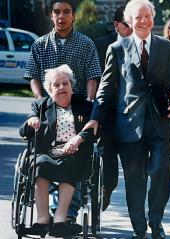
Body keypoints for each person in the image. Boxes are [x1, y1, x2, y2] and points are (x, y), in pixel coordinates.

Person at [83, 0, 170, 238]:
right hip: (129, 124)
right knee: (134, 179)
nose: (143, 21)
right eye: (138, 17)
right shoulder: (117, 49)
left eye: (147, 16)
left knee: (160, 170)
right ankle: (139, 227)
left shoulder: (167, 47)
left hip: (160, 120)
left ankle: (156, 220)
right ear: (129, 21)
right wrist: (95, 117)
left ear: (153, 18)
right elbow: (106, 87)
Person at [23, 0, 101, 231]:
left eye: (66, 12)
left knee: (76, 157)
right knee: (42, 158)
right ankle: (44, 216)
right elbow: (33, 76)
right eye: (57, 12)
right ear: (51, 15)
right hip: (49, 109)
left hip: (76, 108)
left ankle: (66, 215)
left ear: (73, 15)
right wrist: (40, 104)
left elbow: (92, 77)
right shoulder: (40, 45)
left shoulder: (86, 44)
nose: (61, 17)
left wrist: (88, 104)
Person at [19, 64, 94, 237]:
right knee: (39, 164)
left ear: (71, 85)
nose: (61, 87)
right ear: (49, 89)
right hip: (46, 153)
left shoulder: (84, 105)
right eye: (56, 85)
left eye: (65, 83)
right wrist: (31, 121)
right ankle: (43, 219)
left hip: (74, 152)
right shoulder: (40, 105)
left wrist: (78, 138)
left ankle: (60, 219)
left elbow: (93, 130)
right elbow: (23, 132)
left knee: (71, 164)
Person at [94, 5, 133, 211]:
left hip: (133, 115)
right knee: (107, 156)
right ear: (117, 25)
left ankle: (136, 210)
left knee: (133, 164)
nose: (133, 28)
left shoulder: (143, 45)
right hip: (107, 113)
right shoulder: (101, 45)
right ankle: (106, 190)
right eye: (128, 24)